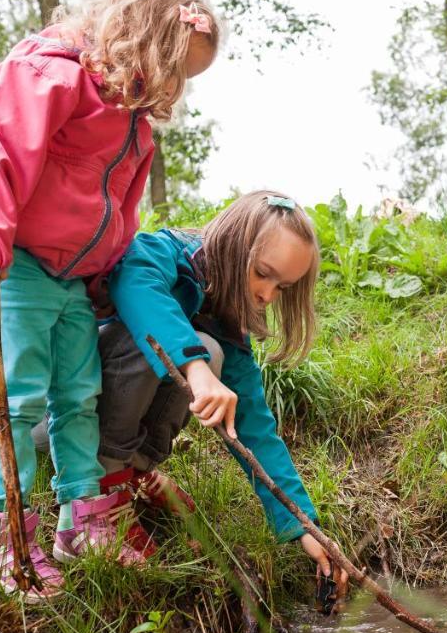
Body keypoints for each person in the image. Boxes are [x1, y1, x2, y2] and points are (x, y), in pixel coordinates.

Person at [0, 0, 221, 600]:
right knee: (17, 396)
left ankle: (84, 520)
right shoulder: (52, 75)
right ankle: (4, 530)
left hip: (73, 281)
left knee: (80, 395)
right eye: (175, 68)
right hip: (14, 265)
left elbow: (120, 214)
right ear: (144, 37)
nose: (176, 87)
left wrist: (103, 274)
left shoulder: (135, 125)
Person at [94, 191, 348, 589]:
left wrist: (305, 526)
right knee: (203, 351)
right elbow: (134, 280)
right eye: (262, 273)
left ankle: (135, 472)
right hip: (61, 417)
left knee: (213, 352)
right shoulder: (166, 251)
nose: (266, 295)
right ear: (234, 246)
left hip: (108, 417)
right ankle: (103, 488)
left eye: (282, 287)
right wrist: (195, 367)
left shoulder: (227, 323)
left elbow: (256, 432)